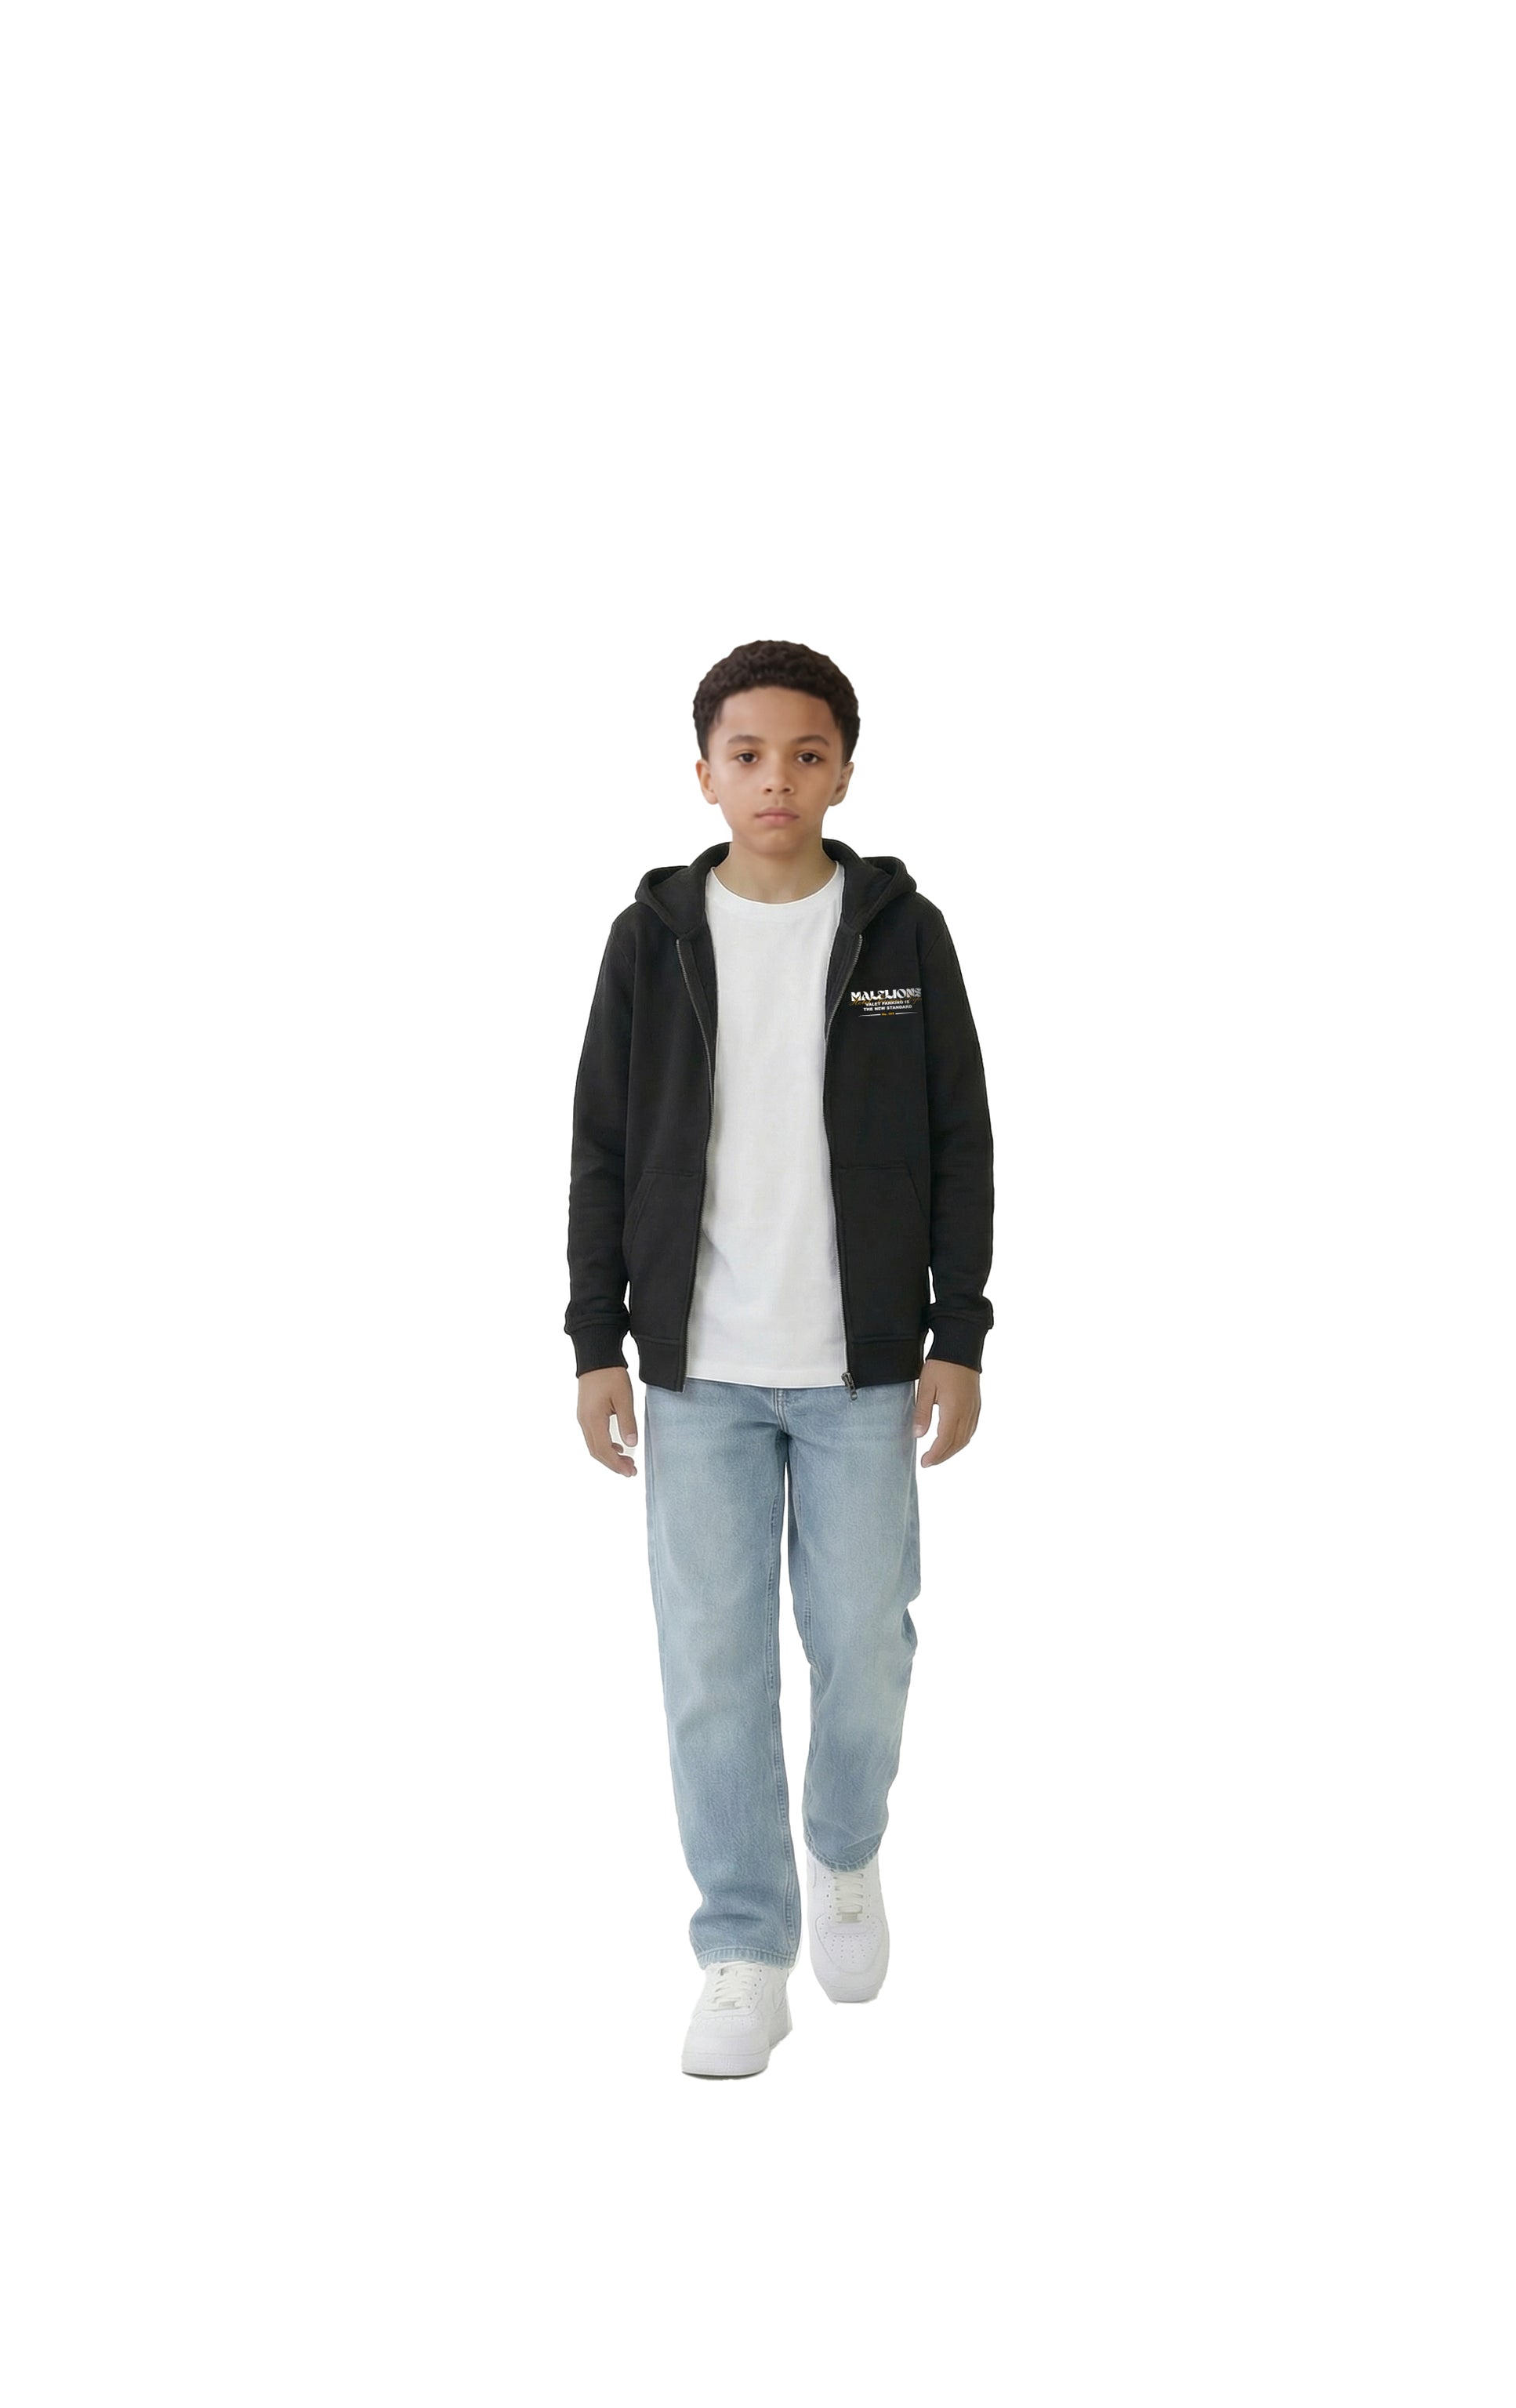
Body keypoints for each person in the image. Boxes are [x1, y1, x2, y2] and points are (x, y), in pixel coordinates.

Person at [564, 637, 995, 2078]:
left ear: (845, 772)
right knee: (712, 1666)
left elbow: (960, 1139)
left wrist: (957, 1334)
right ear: (704, 773)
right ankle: (745, 1947)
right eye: (746, 755)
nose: (776, 780)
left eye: (807, 755)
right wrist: (596, 1341)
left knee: (865, 1642)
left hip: (862, 1367)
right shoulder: (651, 938)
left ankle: (844, 1846)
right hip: (695, 1372)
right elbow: (601, 1145)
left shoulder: (901, 935)